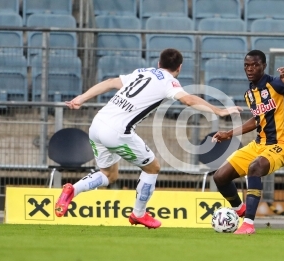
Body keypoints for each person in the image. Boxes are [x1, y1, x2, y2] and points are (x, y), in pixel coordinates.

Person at [55, 48, 242, 228]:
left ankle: (73, 189)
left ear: (159, 63)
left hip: (97, 125)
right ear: (180, 68)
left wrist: (81, 98)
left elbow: (111, 81)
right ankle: (138, 213)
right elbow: (188, 100)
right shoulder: (169, 82)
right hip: (117, 131)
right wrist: (219, 111)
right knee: (153, 168)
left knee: (109, 174)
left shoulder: (142, 72)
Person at [211, 50, 284, 234]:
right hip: (259, 145)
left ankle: (248, 225)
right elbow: (258, 120)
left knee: (255, 167)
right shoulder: (250, 94)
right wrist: (228, 133)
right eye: (246, 65)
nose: (250, 69)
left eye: (254, 65)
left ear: (263, 66)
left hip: (282, 146)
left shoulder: (275, 83)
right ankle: (241, 210)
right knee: (220, 177)